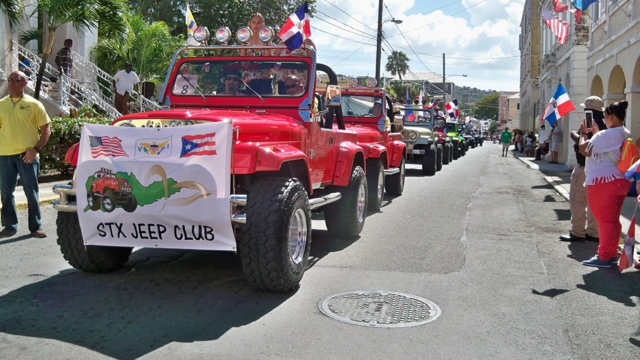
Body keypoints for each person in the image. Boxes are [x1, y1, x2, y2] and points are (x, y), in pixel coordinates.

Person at [578, 100, 631, 267]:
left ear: (610, 117)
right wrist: (597, 133)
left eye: (605, 116)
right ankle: (611, 252)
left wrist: (583, 134)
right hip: (618, 180)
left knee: (604, 220)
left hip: (603, 182)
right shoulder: (623, 132)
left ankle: (604, 256)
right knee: (612, 220)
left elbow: (585, 149)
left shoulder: (607, 135)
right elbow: (605, 147)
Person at [0, 71, 51, 238]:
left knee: (31, 192)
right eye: (10, 79)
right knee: (6, 192)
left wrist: (35, 149)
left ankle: (35, 227)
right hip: (5, 155)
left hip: (27, 155)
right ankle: (9, 226)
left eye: (17, 79)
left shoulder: (34, 104)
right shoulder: (1, 104)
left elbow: (46, 131)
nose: (12, 82)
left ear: (25, 83)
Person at [559, 97, 605, 243]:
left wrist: (575, 134)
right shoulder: (605, 123)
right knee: (594, 202)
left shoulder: (588, 122)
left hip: (584, 166)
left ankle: (578, 232)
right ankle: (594, 232)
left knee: (578, 200)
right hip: (600, 168)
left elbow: (584, 144)